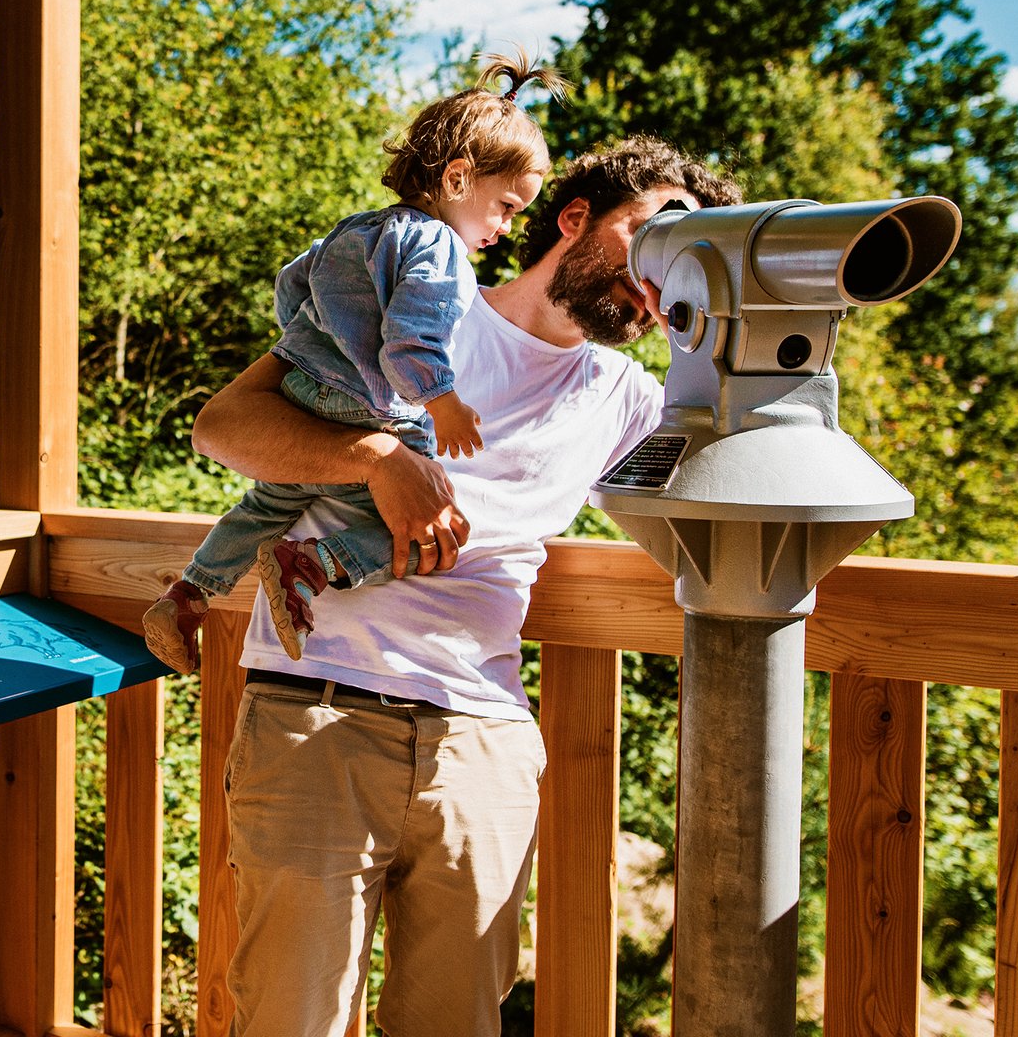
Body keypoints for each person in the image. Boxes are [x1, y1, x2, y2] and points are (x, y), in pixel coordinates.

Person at [191, 136, 742, 1036]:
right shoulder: (418, 305)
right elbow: (225, 425)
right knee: (289, 1022)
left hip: (483, 740)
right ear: (575, 220)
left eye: (687, 261)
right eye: (653, 236)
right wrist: (373, 458)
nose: (658, 277)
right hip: (319, 716)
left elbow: (726, 509)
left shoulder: (630, 399)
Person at [143, 54, 567, 675]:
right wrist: (442, 403)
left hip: (301, 388)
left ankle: (188, 594)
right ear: (456, 180)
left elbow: (294, 286)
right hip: (368, 404)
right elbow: (409, 341)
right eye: (505, 205)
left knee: (269, 502)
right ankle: (313, 565)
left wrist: (306, 347)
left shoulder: (359, 228)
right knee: (438, 518)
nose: (506, 226)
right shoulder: (444, 249)